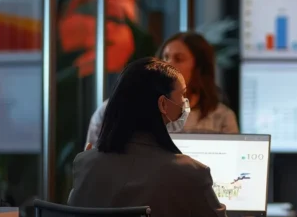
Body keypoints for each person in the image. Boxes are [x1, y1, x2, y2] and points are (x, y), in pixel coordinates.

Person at [68, 57, 250, 217]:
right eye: (182, 95)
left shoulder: (84, 163)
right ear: (163, 104)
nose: (185, 103)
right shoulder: (188, 173)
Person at [86, 31, 238, 147]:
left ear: (199, 68)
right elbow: (93, 161)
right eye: (165, 57)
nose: (168, 64)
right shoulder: (116, 108)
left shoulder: (222, 117)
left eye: (178, 59)